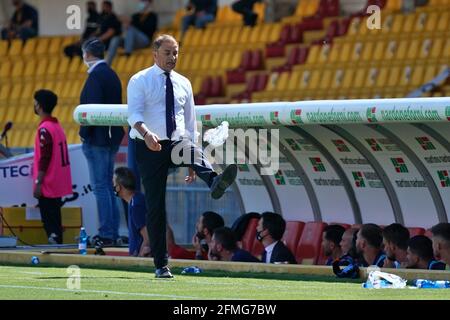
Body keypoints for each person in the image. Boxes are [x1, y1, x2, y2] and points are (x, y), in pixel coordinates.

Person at [127, 34, 238, 278]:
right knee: (156, 207)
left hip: (176, 142)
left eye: (175, 52)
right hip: (148, 146)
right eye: (167, 52)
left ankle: (214, 180)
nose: (172, 57)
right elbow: (133, 115)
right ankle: (160, 264)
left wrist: (192, 165)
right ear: (155, 54)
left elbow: (190, 123)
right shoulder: (139, 80)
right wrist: (147, 135)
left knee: (188, 145)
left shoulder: (184, 83)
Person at [79, 38, 124, 246]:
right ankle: (112, 231)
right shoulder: (112, 75)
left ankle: (107, 232)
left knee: (101, 187)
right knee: (107, 186)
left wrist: (84, 133)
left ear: (87, 54)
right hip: (110, 136)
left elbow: (92, 111)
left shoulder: (96, 77)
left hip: (98, 138)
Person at [32, 90, 72, 245]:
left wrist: (38, 182)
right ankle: (56, 241)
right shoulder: (57, 126)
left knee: (50, 221)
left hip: (48, 183)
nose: (34, 106)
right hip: (57, 181)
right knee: (55, 218)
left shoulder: (45, 129)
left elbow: (45, 157)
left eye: (35, 103)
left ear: (40, 106)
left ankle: (55, 243)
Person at [107, 0, 158, 65]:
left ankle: (127, 52)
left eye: (143, 1)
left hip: (144, 40)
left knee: (131, 29)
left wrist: (131, 26)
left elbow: (150, 29)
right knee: (115, 39)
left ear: (149, 3)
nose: (141, 3)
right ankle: (107, 63)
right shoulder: (135, 16)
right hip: (131, 41)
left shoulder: (152, 16)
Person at [113, 167, 150, 257]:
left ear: (119, 187)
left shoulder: (136, 205)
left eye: (113, 183)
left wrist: (140, 257)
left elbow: (148, 236)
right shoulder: (137, 199)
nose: (112, 186)